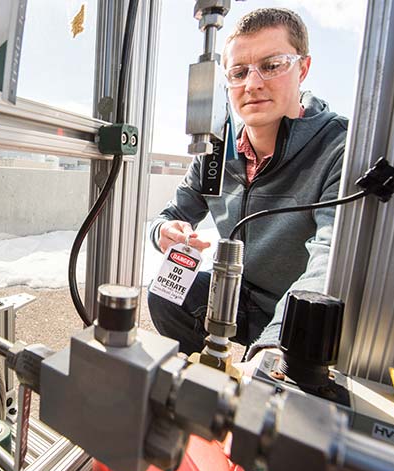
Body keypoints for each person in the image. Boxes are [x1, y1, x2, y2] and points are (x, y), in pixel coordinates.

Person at [147, 8, 348, 368]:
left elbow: (330, 258)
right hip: (239, 297)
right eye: (239, 72)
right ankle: (207, 378)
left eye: (272, 65)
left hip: (299, 305)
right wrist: (166, 231)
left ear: (302, 68)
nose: (252, 84)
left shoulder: (337, 149)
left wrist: (273, 349)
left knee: (288, 377)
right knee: (166, 292)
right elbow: (171, 215)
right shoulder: (215, 152)